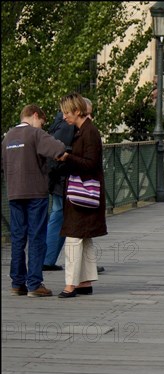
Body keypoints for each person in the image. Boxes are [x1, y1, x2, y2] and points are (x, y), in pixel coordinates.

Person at [1, 104, 66, 297]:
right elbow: (58, 148)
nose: (41, 126)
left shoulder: (8, 137)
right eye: (42, 122)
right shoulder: (35, 134)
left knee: (18, 238)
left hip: (14, 192)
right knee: (37, 237)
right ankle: (34, 284)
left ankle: (17, 282)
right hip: (36, 193)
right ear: (35, 115)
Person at [43, 98, 105, 274]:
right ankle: (51, 260)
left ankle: (80, 273)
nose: (90, 116)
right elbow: (88, 161)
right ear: (79, 111)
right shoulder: (70, 127)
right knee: (68, 223)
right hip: (66, 182)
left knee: (70, 224)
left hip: (66, 181)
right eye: (88, 112)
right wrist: (66, 160)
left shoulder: (79, 129)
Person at [55, 92, 107, 298]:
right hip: (87, 193)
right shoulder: (85, 130)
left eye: (66, 113)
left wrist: (68, 157)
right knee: (83, 238)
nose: (64, 117)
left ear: (77, 111)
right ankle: (85, 281)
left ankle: (71, 284)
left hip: (82, 193)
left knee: (73, 239)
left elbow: (90, 163)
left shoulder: (88, 132)